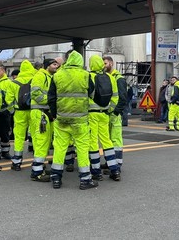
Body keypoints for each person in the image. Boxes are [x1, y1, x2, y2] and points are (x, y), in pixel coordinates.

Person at [48, 50, 97, 190]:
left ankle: (56, 178)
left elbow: (51, 98)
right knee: (82, 149)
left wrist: (55, 114)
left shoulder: (57, 75)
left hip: (61, 119)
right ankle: (85, 180)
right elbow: (92, 93)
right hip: (80, 120)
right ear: (80, 61)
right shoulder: (85, 75)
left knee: (60, 148)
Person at [88, 55, 121, 181]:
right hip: (104, 114)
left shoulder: (88, 76)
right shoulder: (110, 77)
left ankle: (96, 172)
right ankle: (115, 170)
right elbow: (115, 97)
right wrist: (109, 109)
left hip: (91, 114)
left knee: (93, 142)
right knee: (107, 141)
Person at [29, 57, 60, 182]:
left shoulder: (50, 77)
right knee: (41, 142)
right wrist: (50, 102)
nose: (56, 67)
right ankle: (36, 173)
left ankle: (39, 168)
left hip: (45, 113)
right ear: (47, 66)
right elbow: (35, 94)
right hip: (40, 113)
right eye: (54, 64)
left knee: (45, 142)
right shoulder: (40, 76)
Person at [5, 60, 36, 171]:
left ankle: (17, 161)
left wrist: (12, 110)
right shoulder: (36, 80)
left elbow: (8, 100)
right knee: (36, 135)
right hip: (34, 111)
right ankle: (38, 161)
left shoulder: (14, 82)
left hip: (19, 112)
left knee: (19, 136)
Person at [103, 55, 127, 169]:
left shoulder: (118, 78)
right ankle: (110, 163)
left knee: (116, 140)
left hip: (114, 114)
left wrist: (116, 112)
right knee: (108, 140)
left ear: (111, 64)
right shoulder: (107, 77)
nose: (104, 66)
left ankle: (117, 164)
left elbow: (123, 98)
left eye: (105, 63)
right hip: (108, 113)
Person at [0, 64, 14, 162]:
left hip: (4, 112)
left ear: (3, 71)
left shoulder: (8, 82)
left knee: (4, 133)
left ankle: (5, 152)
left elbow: (11, 97)